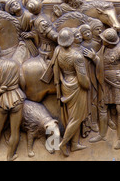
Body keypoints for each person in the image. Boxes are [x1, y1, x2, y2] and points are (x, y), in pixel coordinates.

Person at [41, 28, 90, 156]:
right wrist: (89, 85)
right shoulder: (77, 56)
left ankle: (74, 144)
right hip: (77, 87)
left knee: (73, 116)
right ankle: (63, 143)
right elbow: (83, 80)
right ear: (72, 40)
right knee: (76, 118)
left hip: (65, 85)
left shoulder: (57, 50)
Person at [89, 28, 120, 150]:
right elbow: (101, 62)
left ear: (110, 42)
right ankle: (102, 134)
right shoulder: (104, 48)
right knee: (102, 107)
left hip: (118, 83)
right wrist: (94, 58)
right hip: (105, 83)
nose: (102, 41)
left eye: (104, 40)